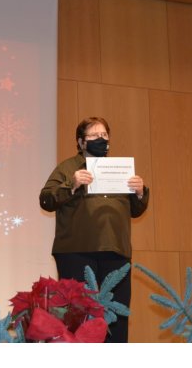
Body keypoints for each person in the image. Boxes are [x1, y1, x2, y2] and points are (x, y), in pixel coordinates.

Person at [39, 116, 149, 343]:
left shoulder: (119, 170)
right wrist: (72, 184)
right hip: (76, 252)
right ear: (81, 142)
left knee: (116, 316)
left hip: (116, 252)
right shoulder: (68, 168)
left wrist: (139, 192)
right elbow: (46, 200)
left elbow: (135, 210)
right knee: (78, 316)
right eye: (94, 135)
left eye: (104, 135)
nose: (101, 139)